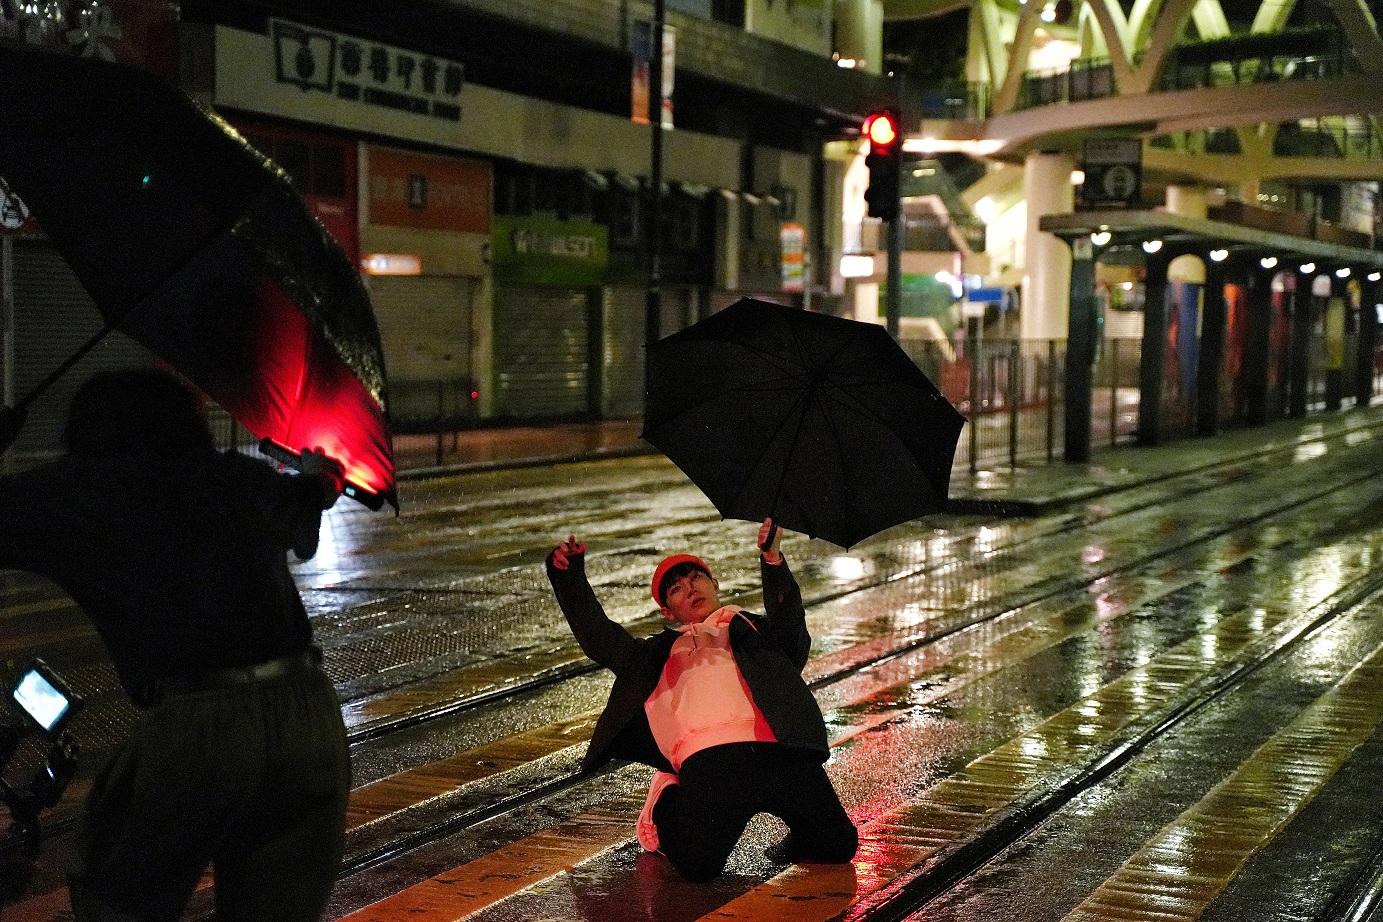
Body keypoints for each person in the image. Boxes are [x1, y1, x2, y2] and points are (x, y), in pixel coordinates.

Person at [0, 368, 350, 920]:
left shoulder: (71, 494)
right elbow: (309, 501)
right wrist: (319, 477)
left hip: (197, 723)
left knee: (120, 893)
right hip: (308, 713)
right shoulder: (235, 477)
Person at [546, 517, 857, 882]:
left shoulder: (752, 629)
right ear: (667, 611)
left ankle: (802, 829)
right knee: (697, 867)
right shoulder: (655, 654)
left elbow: (793, 634)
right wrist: (569, 578)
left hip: (782, 751)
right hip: (712, 763)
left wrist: (772, 558)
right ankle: (666, 796)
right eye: (675, 590)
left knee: (839, 847)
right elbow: (599, 638)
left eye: (695, 577)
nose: (689, 588)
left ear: (715, 584)